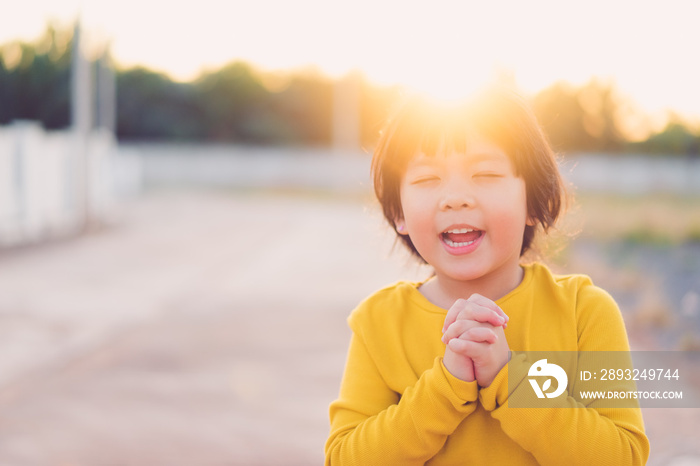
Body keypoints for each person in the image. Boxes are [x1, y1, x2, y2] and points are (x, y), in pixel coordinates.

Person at [324, 89, 649, 465]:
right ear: (399, 213)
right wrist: (445, 386)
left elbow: (623, 457)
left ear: (533, 201)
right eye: (428, 178)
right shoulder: (378, 323)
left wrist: (511, 379)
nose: (456, 197)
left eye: (487, 174)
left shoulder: (584, 312)